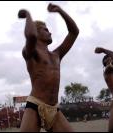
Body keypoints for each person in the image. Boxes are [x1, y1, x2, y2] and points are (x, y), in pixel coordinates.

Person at [18, 3, 79, 132]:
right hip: (35, 105)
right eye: (46, 29)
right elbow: (31, 36)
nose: (50, 32)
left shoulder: (57, 54)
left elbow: (74, 32)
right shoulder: (31, 53)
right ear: (37, 32)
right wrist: (28, 14)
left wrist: (60, 11)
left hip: (54, 108)